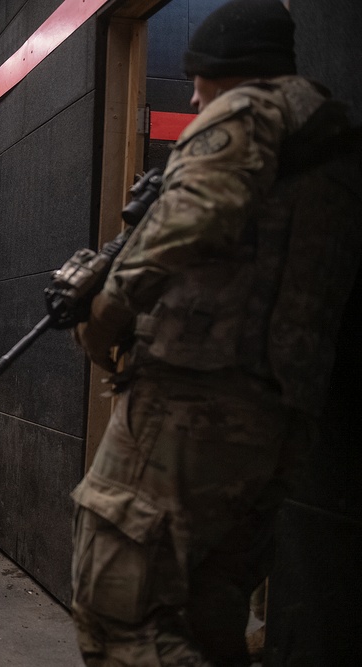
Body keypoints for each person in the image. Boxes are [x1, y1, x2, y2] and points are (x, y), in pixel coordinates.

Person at [70, 1, 362, 664]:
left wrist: (106, 312)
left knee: (119, 612)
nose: (195, 94)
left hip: (192, 400)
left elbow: (195, 215)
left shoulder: (250, 109)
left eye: (200, 80)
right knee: (209, 611)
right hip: (279, 413)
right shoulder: (332, 143)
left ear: (232, 71)